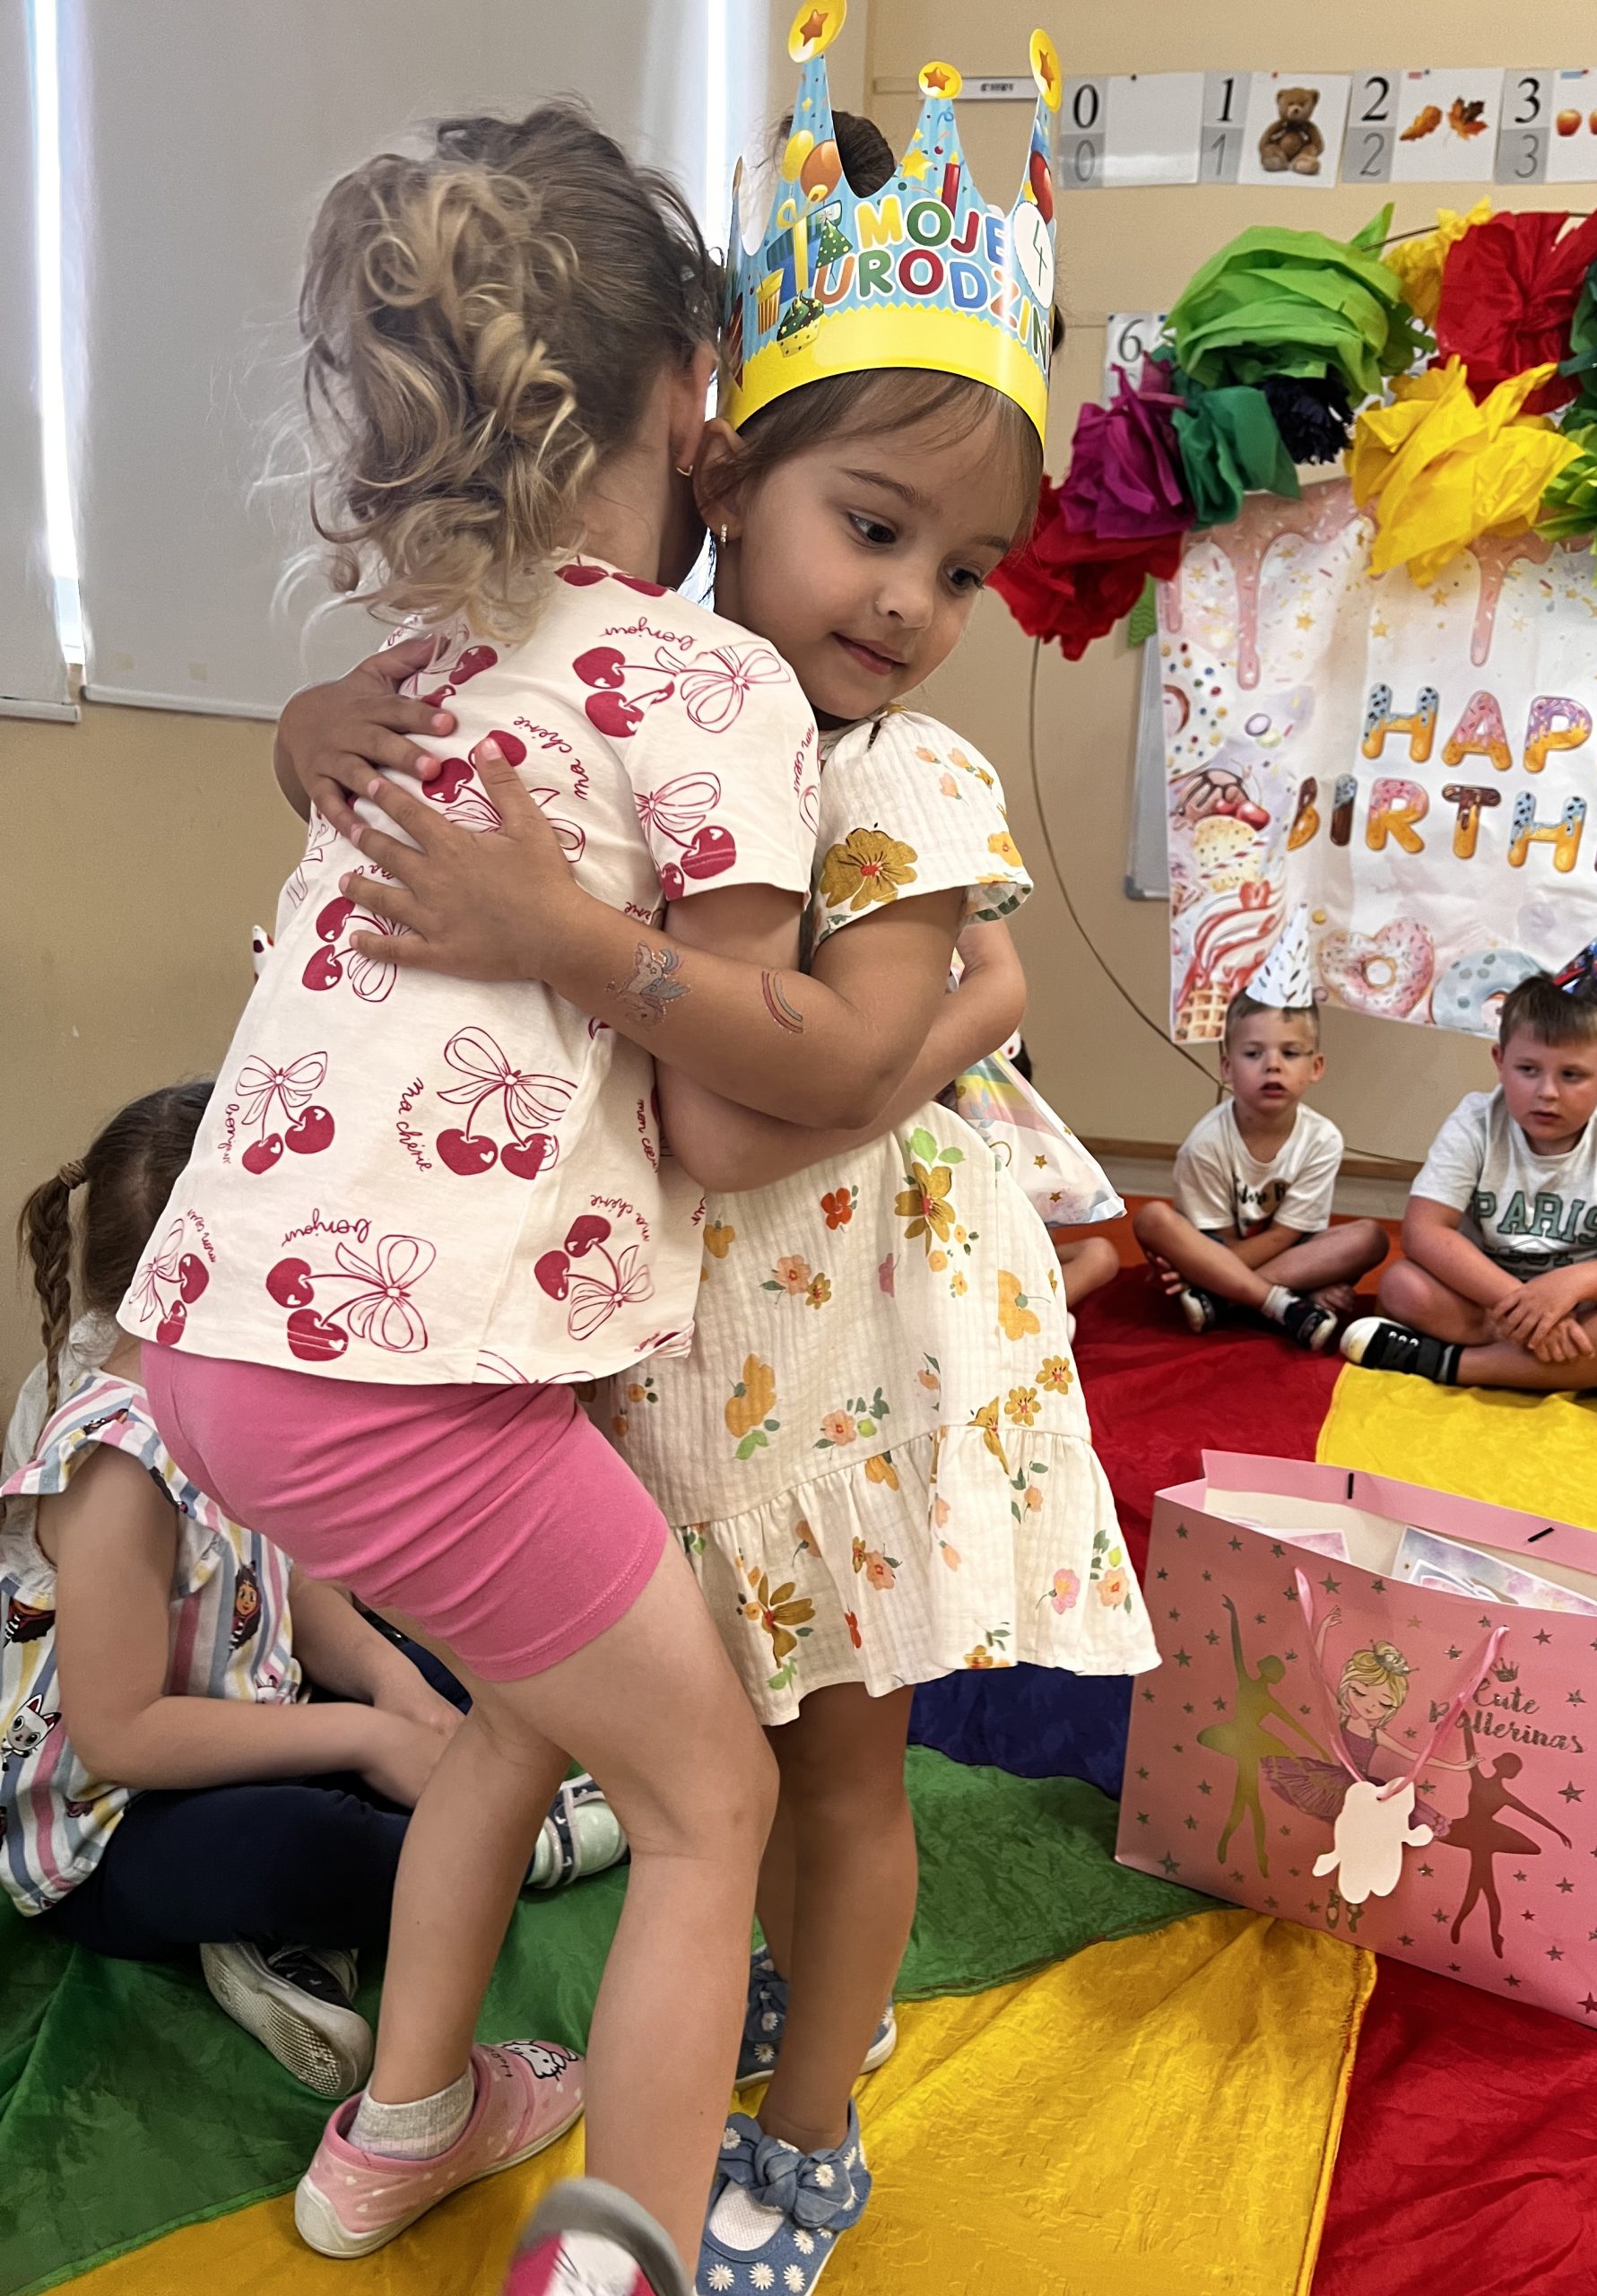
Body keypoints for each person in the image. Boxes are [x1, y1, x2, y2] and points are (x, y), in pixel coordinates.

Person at [270, 39, 1152, 2288]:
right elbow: (418, 746)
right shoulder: (629, 688)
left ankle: (807, 2128)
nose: (914, 602)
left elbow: (767, 1103)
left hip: (833, 1375)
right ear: (725, 464)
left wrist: (957, 1009)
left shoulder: (901, 780)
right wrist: (304, 727)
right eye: (876, 526)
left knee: (834, 1775)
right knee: (577, 1741)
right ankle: (438, 2102)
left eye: (965, 566)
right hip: (630, 1352)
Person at [108, 99, 946, 2287]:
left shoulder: (412, 655)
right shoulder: (711, 681)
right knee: (707, 1801)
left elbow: (326, 759)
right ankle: (619, 2255)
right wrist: (926, 1030)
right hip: (410, 1386)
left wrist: (310, 739)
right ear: (692, 401)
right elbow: (739, 1105)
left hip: (211, 1349)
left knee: (519, 1714)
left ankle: (397, 2128)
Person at [3, 1087, 620, 2103]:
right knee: (337, 1850)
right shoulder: (114, 1468)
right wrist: (368, 1738)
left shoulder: (225, 1392)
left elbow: (281, 1576)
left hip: (250, 1714)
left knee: (450, 1692)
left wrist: (385, 1681)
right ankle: (499, 1848)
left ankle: (280, 1945)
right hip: (119, 1825)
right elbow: (119, 1737)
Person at [1343, 972, 1597, 1401]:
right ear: (1500, 1061)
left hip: (1583, 1310)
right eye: (1528, 1070)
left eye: (1572, 1075)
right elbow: (1423, 1230)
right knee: (1402, 1285)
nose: (1547, 1092)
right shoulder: (1475, 1121)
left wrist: (1571, 1285)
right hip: (1489, 1300)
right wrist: (1520, 1303)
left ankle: (1448, 1365)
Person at [1133, 988, 1388, 1352]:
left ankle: (1220, 1300)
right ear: (1226, 1068)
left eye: (1290, 1053)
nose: (1273, 1065)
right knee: (1152, 1220)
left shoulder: (1323, 1139)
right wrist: (1199, 1261)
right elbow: (1218, 1241)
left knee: (1371, 1238)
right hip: (1219, 1247)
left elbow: (1286, 1236)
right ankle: (1283, 1302)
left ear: (1316, 1067)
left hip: (1283, 1254)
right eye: (1253, 1053)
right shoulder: (1205, 1144)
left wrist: (1204, 1276)